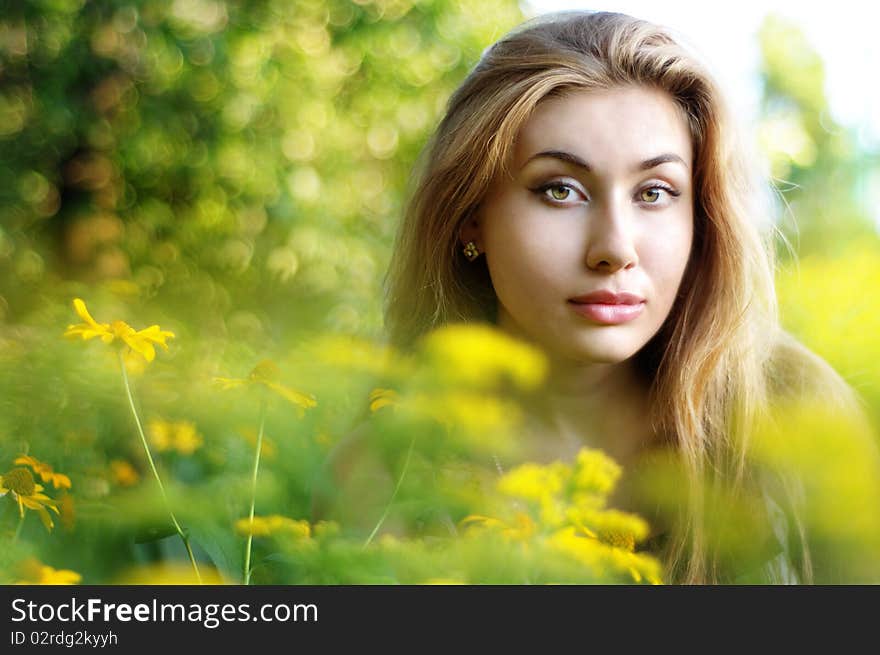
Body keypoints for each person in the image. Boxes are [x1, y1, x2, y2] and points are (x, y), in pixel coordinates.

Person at [318, 11, 872, 583]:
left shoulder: (793, 409)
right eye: (560, 190)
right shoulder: (387, 478)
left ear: (700, 219)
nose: (614, 249)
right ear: (469, 218)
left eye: (654, 192)